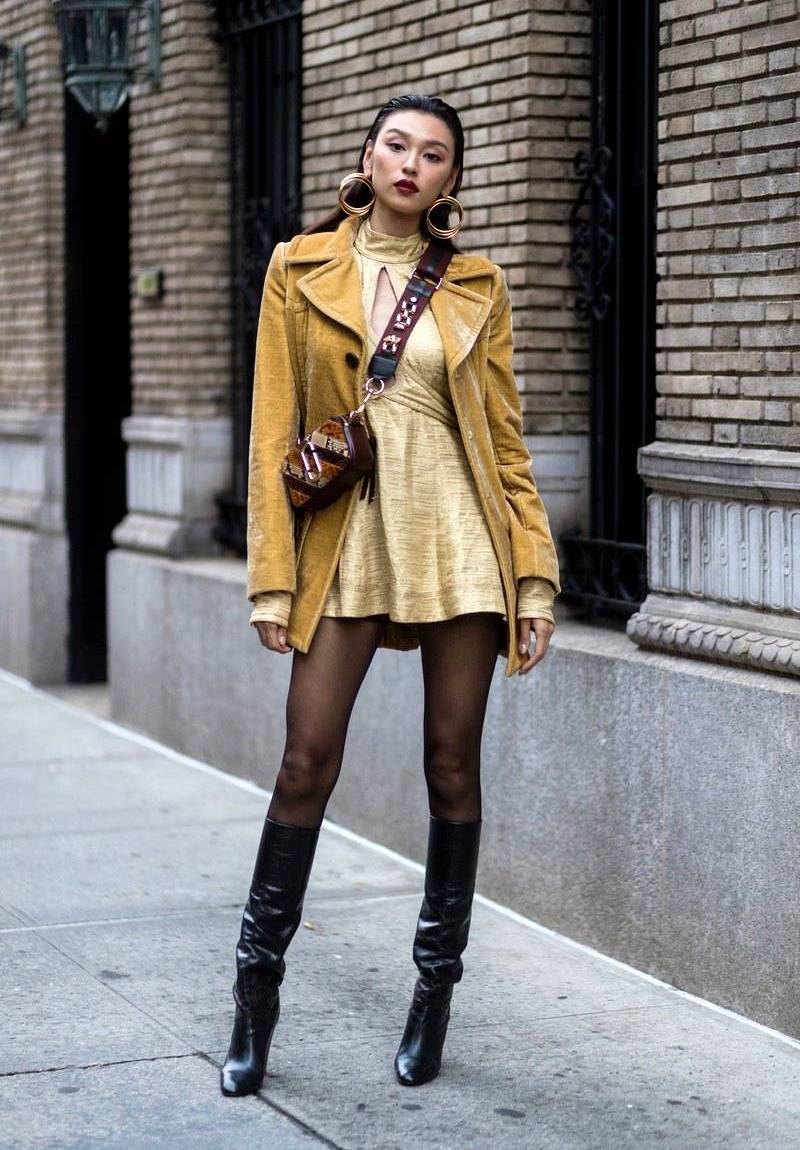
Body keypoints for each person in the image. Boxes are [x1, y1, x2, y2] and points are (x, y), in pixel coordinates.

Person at [220, 93, 561, 1097]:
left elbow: (503, 442)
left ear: (451, 178)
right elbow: (272, 431)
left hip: (457, 538)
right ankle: (254, 1001)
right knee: (305, 760)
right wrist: (271, 580)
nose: (411, 164)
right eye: (397, 145)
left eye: (434, 154)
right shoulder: (299, 267)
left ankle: (432, 994)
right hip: (348, 541)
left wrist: (532, 576)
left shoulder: (476, 283)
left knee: (452, 765)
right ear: (367, 158)